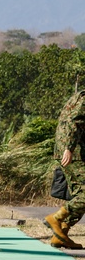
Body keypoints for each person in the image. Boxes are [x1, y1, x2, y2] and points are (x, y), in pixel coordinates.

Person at [46, 90, 85, 250]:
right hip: (73, 152)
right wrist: (68, 148)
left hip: (76, 150)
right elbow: (74, 122)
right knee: (83, 194)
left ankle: (61, 233)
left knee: (79, 196)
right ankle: (56, 218)